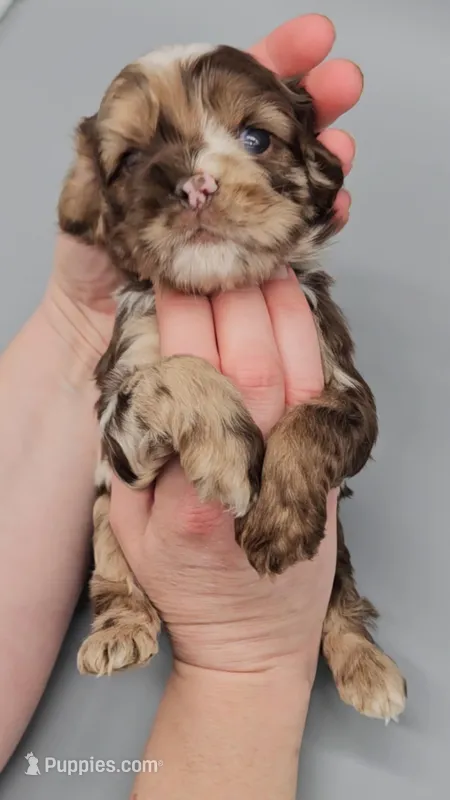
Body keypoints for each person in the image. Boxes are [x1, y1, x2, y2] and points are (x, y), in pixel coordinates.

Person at [0, 13, 361, 798]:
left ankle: (346, 626)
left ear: (316, 175)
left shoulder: (304, 294)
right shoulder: (125, 308)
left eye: (254, 139)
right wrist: (249, 662)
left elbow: (347, 420)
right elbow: (117, 425)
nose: (198, 180)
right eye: (134, 158)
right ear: (96, 195)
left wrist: (72, 330)